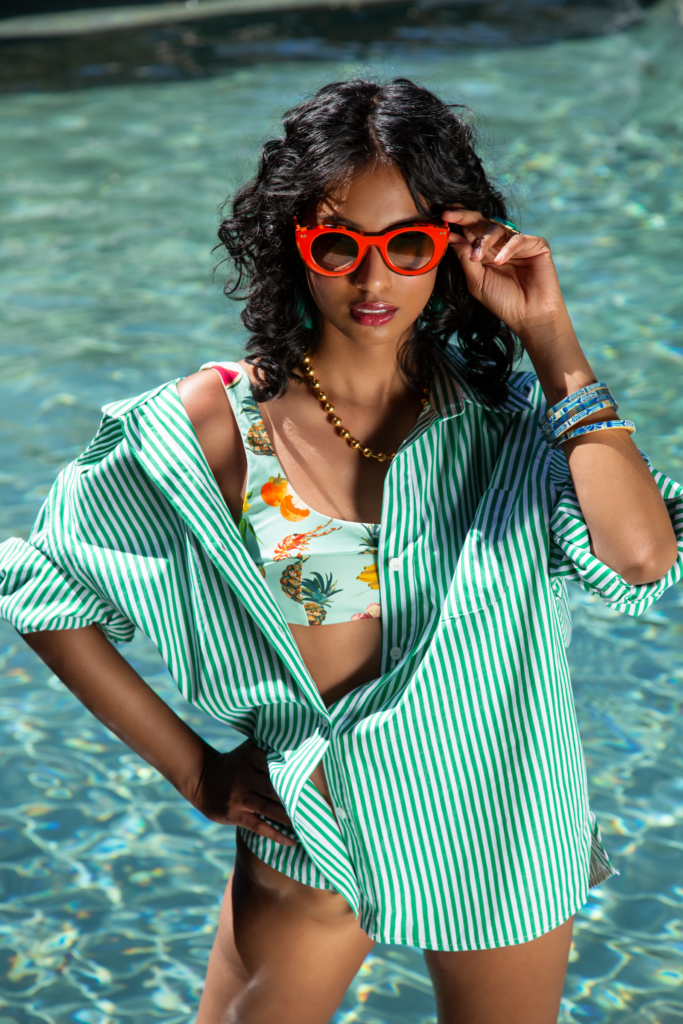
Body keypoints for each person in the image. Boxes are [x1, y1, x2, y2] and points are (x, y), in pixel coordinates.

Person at [0, 77, 681, 1024]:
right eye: (337, 247)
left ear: (450, 248)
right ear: (292, 244)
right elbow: (43, 587)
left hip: (492, 827)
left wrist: (550, 339)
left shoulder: (514, 430)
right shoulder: (209, 427)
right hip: (314, 837)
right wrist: (194, 770)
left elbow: (643, 558)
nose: (372, 282)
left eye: (408, 245)